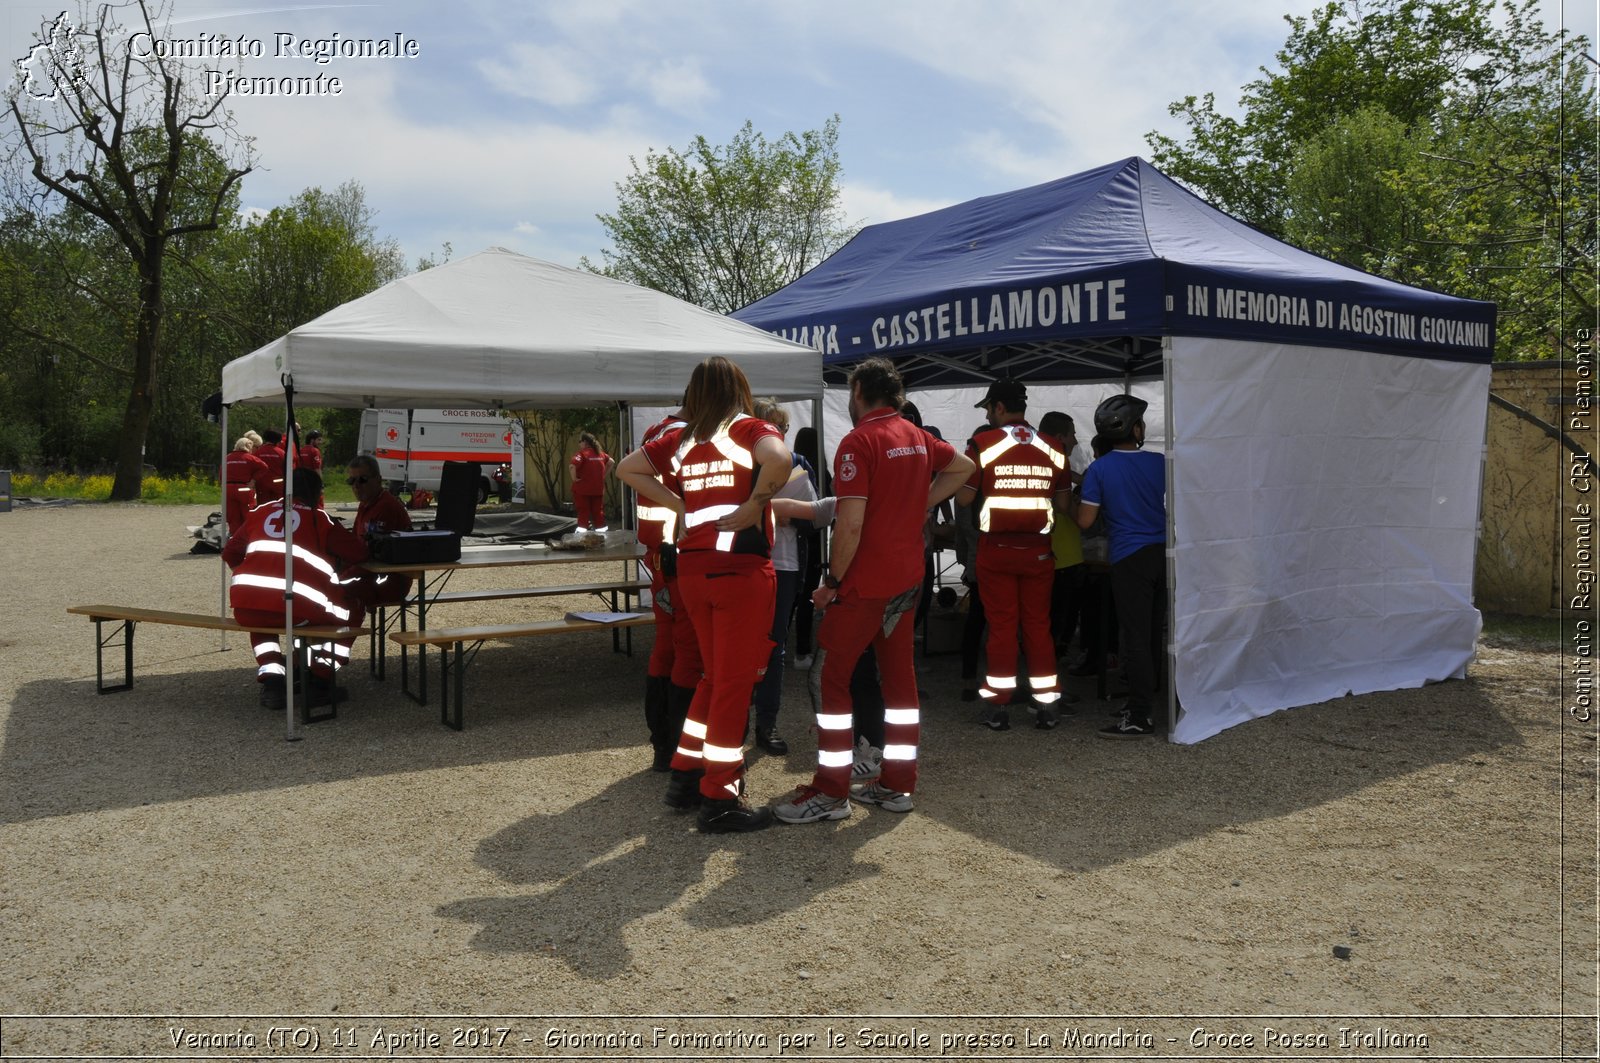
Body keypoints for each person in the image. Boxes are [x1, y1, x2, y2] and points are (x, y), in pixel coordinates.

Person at [772, 357, 972, 824]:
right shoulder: (915, 435)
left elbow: (851, 522)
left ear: (858, 390)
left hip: (866, 582)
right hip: (908, 577)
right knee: (899, 679)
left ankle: (830, 790)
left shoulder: (858, 441)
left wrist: (832, 583)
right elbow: (962, 466)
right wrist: (918, 502)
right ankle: (897, 784)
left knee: (828, 678)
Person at [616, 356, 790, 833]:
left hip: (693, 570)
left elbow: (627, 470)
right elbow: (780, 459)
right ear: (740, 389)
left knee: (713, 679)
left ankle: (686, 773)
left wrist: (680, 503)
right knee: (733, 685)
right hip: (739, 572)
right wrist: (756, 504)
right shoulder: (746, 428)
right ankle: (721, 797)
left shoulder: (682, 437)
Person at [956, 380, 1074, 731]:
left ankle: (998, 708)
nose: (990, 415)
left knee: (1002, 627)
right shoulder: (1054, 447)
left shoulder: (982, 444)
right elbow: (1064, 504)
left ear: (999, 408)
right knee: (1038, 626)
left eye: (989, 409)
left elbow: (963, 499)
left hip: (996, 550)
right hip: (1039, 551)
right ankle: (1047, 706)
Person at [223, 470, 367, 710]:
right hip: (296, 607)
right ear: (315, 493)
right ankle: (320, 680)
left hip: (246, 605)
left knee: (262, 617)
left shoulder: (260, 512)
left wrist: (255, 575)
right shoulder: (319, 519)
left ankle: (273, 681)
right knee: (353, 607)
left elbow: (229, 553)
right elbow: (360, 554)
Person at [1076, 394, 1167, 739]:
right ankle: (1145, 701)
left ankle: (1141, 714)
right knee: (1152, 632)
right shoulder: (1160, 461)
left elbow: (1086, 521)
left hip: (1129, 557)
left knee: (1135, 637)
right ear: (1136, 428)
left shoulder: (1100, 469)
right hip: (1163, 553)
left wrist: (1067, 505)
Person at [633, 402, 704, 772]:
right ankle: (679, 749)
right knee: (687, 654)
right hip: (678, 556)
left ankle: (663, 745)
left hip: (659, 556)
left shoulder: (656, 432)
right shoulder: (682, 438)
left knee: (665, 650)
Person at [747, 398, 817, 756]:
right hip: (747, 563)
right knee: (745, 644)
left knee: (774, 646)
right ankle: (741, 721)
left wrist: (781, 514)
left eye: (784, 428)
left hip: (784, 565)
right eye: (774, 427)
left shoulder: (798, 465)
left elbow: (818, 516)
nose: (781, 434)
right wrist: (779, 512)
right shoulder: (741, 464)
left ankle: (766, 722)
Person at [1037, 411, 1088, 659]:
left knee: (1045, 621)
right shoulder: (1058, 462)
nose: (1076, 442)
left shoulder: (1034, 462)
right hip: (1063, 557)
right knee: (1059, 622)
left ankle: (1046, 663)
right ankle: (1052, 670)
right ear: (1060, 437)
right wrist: (1084, 517)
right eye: (1072, 435)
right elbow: (1065, 506)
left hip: (1044, 554)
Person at [342, 454, 413, 609]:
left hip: (390, 579)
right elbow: (355, 544)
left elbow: (372, 554)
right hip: (371, 573)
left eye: (363, 479)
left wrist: (341, 575)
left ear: (378, 479)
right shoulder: (366, 504)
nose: (356, 485)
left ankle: (343, 632)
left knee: (337, 592)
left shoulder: (386, 507)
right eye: (352, 481)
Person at [570, 432, 612, 533]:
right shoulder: (600, 454)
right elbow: (611, 462)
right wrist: (603, 475)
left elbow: (572, 466)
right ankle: (601, 534)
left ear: (585, 442)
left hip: (583, 490)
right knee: (598, 512)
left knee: (583, 512)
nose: (579, 444)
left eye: (580, 442)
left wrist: (574, 479)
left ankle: (581, 536)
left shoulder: (582, 454)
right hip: (597, 489)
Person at [222, 437, 265, 533]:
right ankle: (248, 537)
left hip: (228, 488)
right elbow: (264, 467)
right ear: (248, 447)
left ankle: (234, 538)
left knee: (233, 517)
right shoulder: (250, 458)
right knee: (248, 515)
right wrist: (253, 480)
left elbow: (221, 474)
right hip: (244, 488)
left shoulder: (227, 458)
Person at [252, 429, 287, 500]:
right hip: (278, 483)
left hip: (262, 483)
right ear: (277, 440)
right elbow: (287, 469)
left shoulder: (258, 452)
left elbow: (253, 468)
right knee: (277, 506)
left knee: (263, 506)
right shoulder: (282, 453)